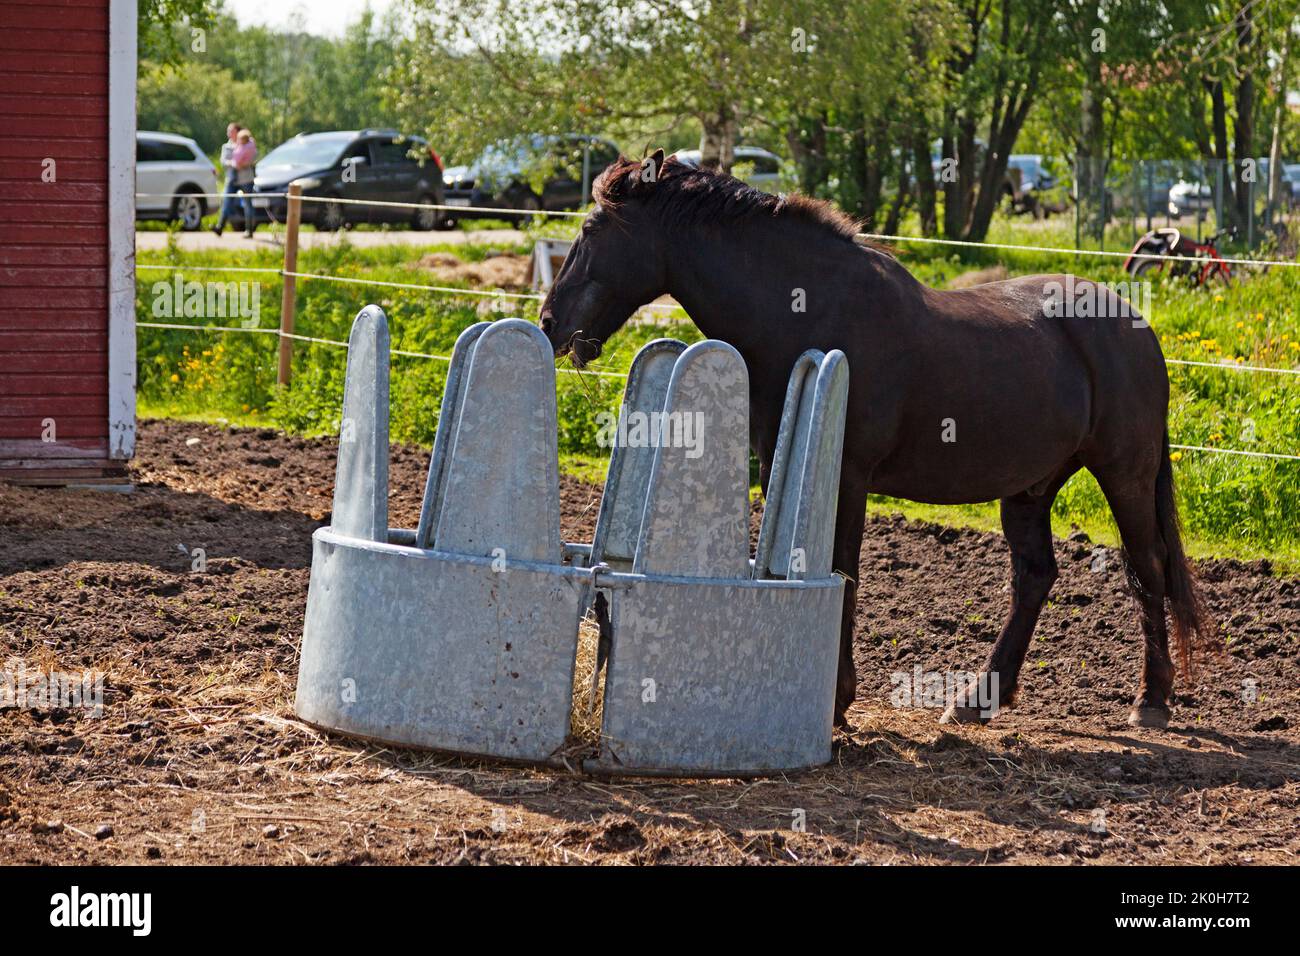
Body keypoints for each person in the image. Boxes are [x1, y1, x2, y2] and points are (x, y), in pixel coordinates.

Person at [212, 123, 242, 237]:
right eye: (228, 131)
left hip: (244, 178)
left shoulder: (245, 143)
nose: (229, 133)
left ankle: (249, 229)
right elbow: (223, 161)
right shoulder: (226, 146)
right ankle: (220, 226)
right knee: (226, 201)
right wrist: (233, 163)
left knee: (248, 203)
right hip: (231, 178)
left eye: (231, 131)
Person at [230, 129, 259, 238]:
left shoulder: (243, 149)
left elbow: (237, 162)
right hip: (247, 179)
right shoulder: (252, 148)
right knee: (248, 204)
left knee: (247, 205)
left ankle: (249, 229)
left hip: (244, 179)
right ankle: (249, 229)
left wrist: (240, 164)